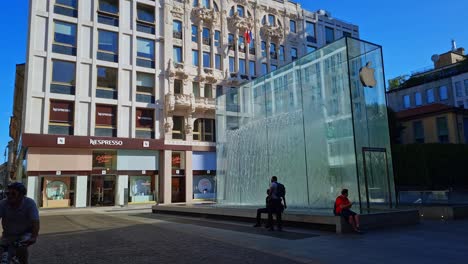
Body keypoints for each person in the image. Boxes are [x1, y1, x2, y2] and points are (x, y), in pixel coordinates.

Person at [0, 182, 40, 264]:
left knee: (21, 248)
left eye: (13, 194)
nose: (9, 196)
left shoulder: (30, 203)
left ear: (22, 195)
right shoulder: (3, 203)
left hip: (25, 233)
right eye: (8, 193)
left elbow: (35, 221)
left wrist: (34, 236)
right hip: (8, 234)